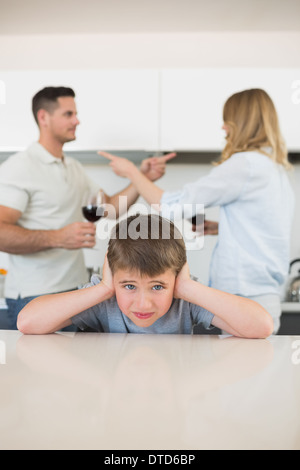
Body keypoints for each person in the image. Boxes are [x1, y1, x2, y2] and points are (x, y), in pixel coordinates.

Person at [98, 88, 295, 334]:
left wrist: (133, 172)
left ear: (241, 123)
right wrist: (222, 228)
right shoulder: (274, 169)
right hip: (263, 293)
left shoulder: (244, 165)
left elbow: (169, 206)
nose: (224, 128)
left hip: (243, 295)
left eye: (228, 121)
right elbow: (269, 227)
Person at [0, 86, 175, 329]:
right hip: (35, 295)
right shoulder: (20, 168)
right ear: (44, 117)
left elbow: (111, 208)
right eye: (68, 114)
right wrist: (58, 237)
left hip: (74, 291)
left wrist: (141, 178)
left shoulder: (73, 168)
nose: (77, 120)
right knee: (40, 368)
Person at [17, 214, 273, 338]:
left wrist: (187, 288)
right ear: (111, 274)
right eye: (129, 285)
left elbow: (262, 326)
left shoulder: (184, 299)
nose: (143, 303)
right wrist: (104, 288)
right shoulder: (104, 297)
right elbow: (27, 322)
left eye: (158, 287)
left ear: (177, 276)